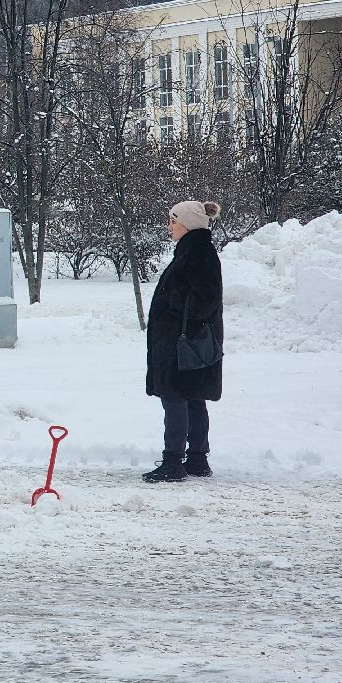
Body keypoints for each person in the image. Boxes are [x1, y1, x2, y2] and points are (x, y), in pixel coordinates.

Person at [142, 200, 224, 483]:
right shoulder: (194, 249)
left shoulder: (198, 252)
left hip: (184, 342)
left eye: (173, 221)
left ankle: (173, 461)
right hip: (187, 340)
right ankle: (198, 459)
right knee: (192, 398)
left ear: (187, 223)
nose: (169, 227)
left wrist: (171, 305)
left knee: (176, 398)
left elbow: (205, 298)